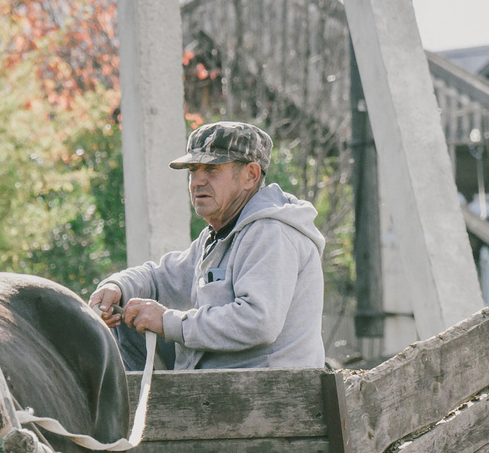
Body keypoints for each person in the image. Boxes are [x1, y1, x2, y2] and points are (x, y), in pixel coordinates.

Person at [88, 120, 326, 371]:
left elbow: (258, 321)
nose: (197, 181)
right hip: (222, 392)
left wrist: (170, 322)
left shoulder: (270, 232)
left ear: (251, 175)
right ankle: (139, 408)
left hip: (268, 397)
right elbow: (160, 277)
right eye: (193, 170)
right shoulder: (218, 235)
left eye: (212, 169)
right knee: (131, 314)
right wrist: (117, 286)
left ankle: (142, 410)